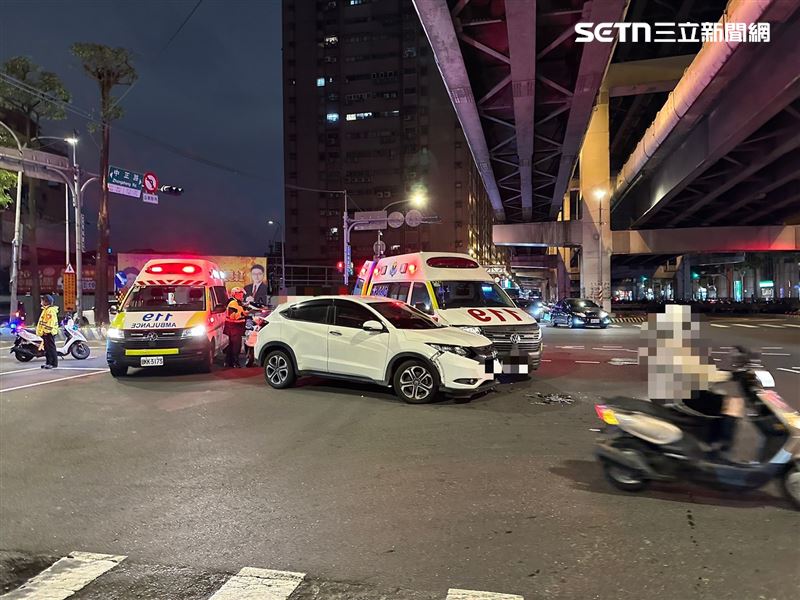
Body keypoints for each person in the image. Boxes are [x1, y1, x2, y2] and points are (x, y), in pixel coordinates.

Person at [640, 304, 743, 453]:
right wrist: (732, 375)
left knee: (717, 395)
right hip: (684, 395)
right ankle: (720, 447)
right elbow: (701, 373)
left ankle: (711, 439)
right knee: (733, 403)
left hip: (671, 391)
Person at [224, 287, 248, 368]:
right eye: (239, 294)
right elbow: (233, 316)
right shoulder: (233, 303)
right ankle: (235, 363)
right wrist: (242, 314)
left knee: (231, 346)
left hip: (235, 328)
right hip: (234, 328)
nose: (241, 295)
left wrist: (245, 311)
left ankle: (228, 363)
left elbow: (240, 312)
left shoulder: (237, 303)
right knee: (236, 346)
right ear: (235, 294)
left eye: (242, 294)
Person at [36, 295, 60, 369]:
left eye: (42, 301)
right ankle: (48, 362)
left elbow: (50, 322)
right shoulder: (46, 310)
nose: (41, 302)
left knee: (51, 348)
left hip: (49, 332)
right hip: (45, 332)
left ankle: (53, 363)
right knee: (47, 349)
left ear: (46, 302)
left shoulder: (50, 311)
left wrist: (46, 331)